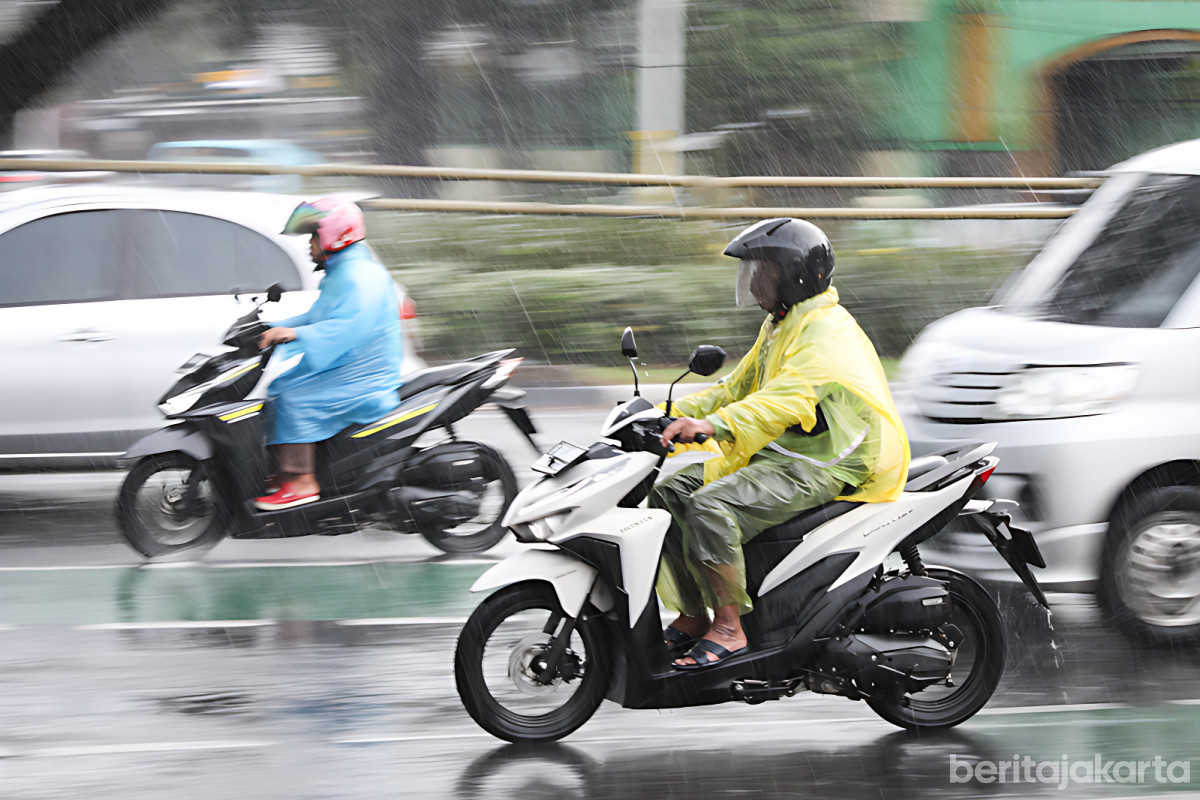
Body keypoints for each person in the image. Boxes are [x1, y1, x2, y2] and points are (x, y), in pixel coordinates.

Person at [654, 218, 910, 669]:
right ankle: (694, 615)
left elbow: (782, 400)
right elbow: (738, 386)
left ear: (792, 273)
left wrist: (714, 426)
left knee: (711, 506)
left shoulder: (825, 333)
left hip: (835, 457)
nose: (751, 281)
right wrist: (667, 413)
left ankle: (730, 630)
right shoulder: (783, 323)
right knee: (669, 492)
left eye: (761, 271)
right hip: (794, 450)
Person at [253, 197, 404, 511]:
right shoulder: (344, 271)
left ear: (333, 236)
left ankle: (302, 482)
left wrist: (296, 333)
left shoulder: (358, 275)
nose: (309, 246)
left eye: (312, 237)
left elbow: (350, 326)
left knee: (296, 399)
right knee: (281, 387)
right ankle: (286, 471)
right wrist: (272, 327)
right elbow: (319, 317)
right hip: (348, 364)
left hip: (364, 373)